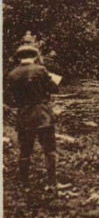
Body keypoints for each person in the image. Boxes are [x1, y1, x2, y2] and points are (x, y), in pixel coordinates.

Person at [4, 37, 64, 191]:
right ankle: (52, 183)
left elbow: (7, 99)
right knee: (49, 150)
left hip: (24, 116)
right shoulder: (40, 70)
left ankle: (25, 185)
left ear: (19, 58)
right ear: (35, 56)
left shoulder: (12, 74)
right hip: (42, 115)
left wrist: (21, 104)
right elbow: (53, 89)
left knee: (25, 151)